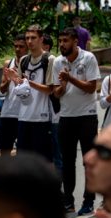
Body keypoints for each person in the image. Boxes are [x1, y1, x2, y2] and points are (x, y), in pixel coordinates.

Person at [52, 27, 101, 216]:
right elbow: (56, 92)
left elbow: (91, 88)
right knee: (67, 161)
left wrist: (70, 78)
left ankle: (89, 200)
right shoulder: (58, 61)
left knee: (89, 161)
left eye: (65, 41)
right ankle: (68, 201)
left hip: (86, 116)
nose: (62, 44)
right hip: (66, 117)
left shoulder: (88, 58)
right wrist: (62, 87)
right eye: (60, 41)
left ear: (75, 42)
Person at [7, 24, 55, 162]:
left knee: (42, 160)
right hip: (23, 117)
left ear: (41, 39)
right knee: (23, 160)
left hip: (42, 117)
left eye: (33, 38)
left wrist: (29, 82)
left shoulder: (50, 60)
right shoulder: (24, 60)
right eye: (27, 38)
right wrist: (15, 79)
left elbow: (49, 89)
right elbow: (22, 86)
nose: (29, 41)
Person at [0, 34, 27, 157]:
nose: (18, 49)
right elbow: (2, 90)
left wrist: (19, 78)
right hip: (8, 112)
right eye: (16, 46)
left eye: (21, 46)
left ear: (27, 48)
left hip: (24, 113)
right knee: (4, 150)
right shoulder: (8, 63)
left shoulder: (30, 63)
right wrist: (8, 79)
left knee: (24, 151)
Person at [43, 34, 63, 175]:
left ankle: (58, 186)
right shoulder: (29, 62)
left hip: (55, 116)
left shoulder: (52, 62)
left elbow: (52, 89)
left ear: (46, 47)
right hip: (38, 117)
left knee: (57, 154)